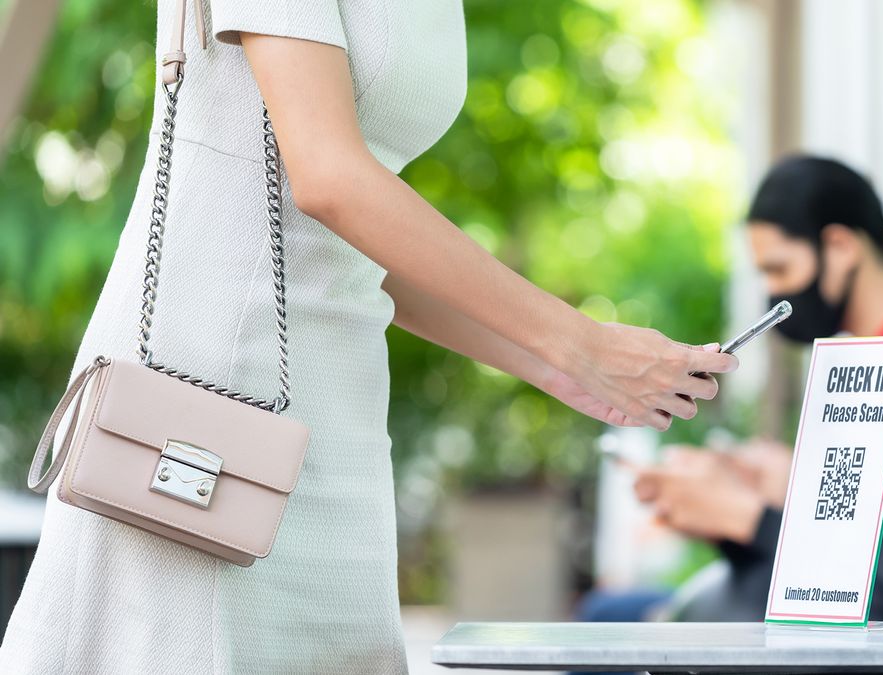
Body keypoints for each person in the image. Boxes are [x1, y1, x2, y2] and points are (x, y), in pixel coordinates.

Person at [0, 2, 737, 672]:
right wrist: (579, 341)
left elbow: (356, 243)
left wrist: (553, 365)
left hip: (335, 395)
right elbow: (327, 177)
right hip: (210, 391)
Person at [626, 155, 883, 623]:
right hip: (853, 638)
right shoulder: (872, 366)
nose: (772, 291)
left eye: (779, 270)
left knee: (623, 619)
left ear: (840, 246)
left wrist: (743, 516)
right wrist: (776, 494)